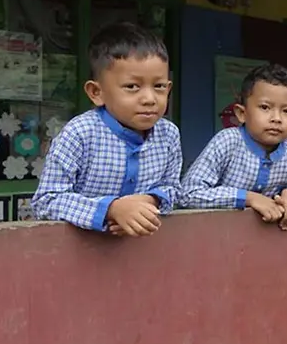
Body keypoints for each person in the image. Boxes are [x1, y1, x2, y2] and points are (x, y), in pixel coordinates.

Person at [31, 22, 182, 236]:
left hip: (142, 250)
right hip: (80, 250)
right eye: (132, 87)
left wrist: (148, 202)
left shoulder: (169, 135)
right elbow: (46, 200)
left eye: (159, 86)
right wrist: (111, 210)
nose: (150, 99)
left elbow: (173, 189)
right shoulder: (79, 134)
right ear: (96, 92)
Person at [179, 64, 287, 230]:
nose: (276, 118)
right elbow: (188, 193)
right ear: (242, 113)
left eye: (286, 111)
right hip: (217, 237)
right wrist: (248, 198)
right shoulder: (227, 142)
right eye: (265, 107)